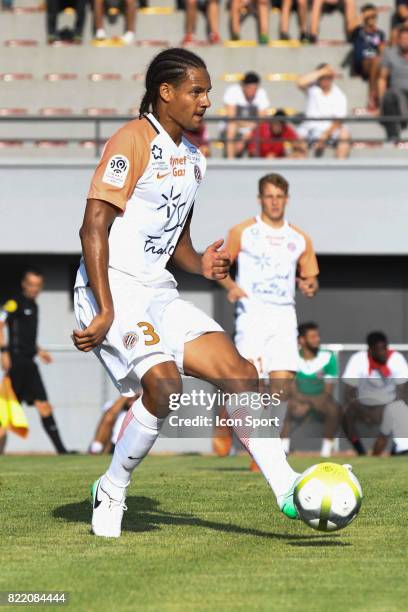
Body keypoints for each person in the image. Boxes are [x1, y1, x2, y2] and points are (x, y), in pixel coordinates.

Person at [72, 48, 303, 538]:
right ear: (166, 93)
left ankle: (287, 488)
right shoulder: (131, 140)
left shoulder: (195, 159)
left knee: (240, 372)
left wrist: (202, 264)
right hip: (110, 287)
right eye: (197, 91)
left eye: (208, 91)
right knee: (164, 386)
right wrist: (105, 307)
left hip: (156, 289)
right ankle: (112, 488)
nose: (206, 101)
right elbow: (93, 227)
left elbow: (177, 243)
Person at [215, 172, 319, 471]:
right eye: (269, 196)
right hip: (253, 316)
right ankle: (235, 432)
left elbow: (311, 279)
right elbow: (219, 266)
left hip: (285, 316)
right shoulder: (243, 232)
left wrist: (310, 286)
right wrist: (231, 287)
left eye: (279, 197)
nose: (274, 202)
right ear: (260, 199)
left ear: (287, 199)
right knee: (249, 384)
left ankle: (265, 451)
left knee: (282, 387)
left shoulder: (299, 238)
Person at [0, 269, 72, 454]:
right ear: (24, 284)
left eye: (37, 285)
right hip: (16, 364)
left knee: (44, 405)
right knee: (6, 411)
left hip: (30, 364)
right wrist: (4, 352)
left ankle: (62, 452)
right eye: (31, 284)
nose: (34, 289)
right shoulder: (13, 303)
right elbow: (0, 323)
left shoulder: (34, 306)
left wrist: (39, 351)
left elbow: (26, 337)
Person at [342, 331, 408, 455]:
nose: (383, 352)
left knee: (400, 410)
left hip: (388, 405)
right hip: (363, 405)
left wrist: (388, 411)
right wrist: (363, 411)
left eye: (384, 348)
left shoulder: (396, 359)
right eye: (379, 349)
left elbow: (403, 392)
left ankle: (398, 450)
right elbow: (348, 392)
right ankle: (361, 452)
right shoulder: (358, 359)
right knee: (344, 415)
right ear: (370, 350)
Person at [281, 322, 340, 458]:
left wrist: (309, 404)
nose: (317, 339)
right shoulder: (291, 357)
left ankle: (326, 453)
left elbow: (328, 391)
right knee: (283, 405)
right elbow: (291, 387)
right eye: (312, 337)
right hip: (297, 402)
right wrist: (302, 402)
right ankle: (283, 450)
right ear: (301, 340)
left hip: (320, 402)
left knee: (334, 409)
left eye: (317, 336)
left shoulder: (328, 357)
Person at [297, 63, 351, 159]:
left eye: (328, 77)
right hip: (310, 128)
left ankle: (340, 168)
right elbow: (300, 82)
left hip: (330, 131)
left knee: (345, 134)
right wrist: (322, 71)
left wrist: (325, 135)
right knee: (299, 138)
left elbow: (338, 121)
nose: (325, 79)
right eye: (322, 77)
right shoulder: (312, 89)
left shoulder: (339, 95)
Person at [222, 71, 270, 159]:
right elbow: (231, 117)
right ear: (243, 86)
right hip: (236, 128)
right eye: (249, 88)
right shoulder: (233, 91)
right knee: (231, 127)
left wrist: (247, 134)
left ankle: (255, 162)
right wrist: (249, 126)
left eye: (254, 89)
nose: (252, 92)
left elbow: (262, 118)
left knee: (262, 130)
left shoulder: (261, 93)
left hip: (252, 129)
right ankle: (230, 161)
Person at [350, 4, 385, 110]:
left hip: (375, 63)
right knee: (376, 61)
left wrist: (378, 40)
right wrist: (363, 16)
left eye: (373, 16)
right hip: (361, 63)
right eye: (369, 17)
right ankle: (372, 98)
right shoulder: (358, 31)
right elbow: (350, 26)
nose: (371, 19)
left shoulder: (379, 33)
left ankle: (383, 103)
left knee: (381, 64)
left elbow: (383, 52)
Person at [378, 24, 408, 140]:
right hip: (397, 94)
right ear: (398, 39)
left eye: (407, 38)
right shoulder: (390, 53)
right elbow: (382, 78)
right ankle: (393, 136)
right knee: (389, 96)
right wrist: (381, 103)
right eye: (403, 38)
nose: (405, 41)